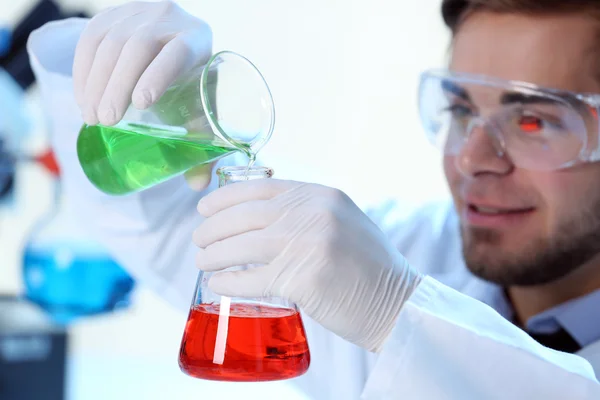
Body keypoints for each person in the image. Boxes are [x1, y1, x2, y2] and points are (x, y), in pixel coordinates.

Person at [25, 0, 600, 398]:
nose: (473, 158)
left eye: (533, 121)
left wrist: (397, 312)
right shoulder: (409, 256)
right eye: (460, 109)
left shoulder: (391, 296)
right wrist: (142, 100)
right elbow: (173, 229)